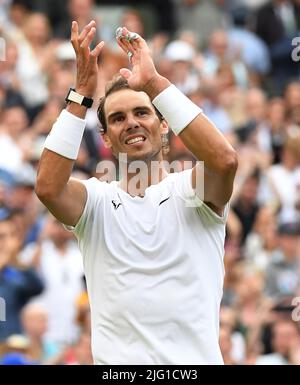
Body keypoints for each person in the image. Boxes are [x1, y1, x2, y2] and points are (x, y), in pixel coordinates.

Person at [35, 20, 238, 364]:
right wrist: (81, 93)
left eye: (142, 112)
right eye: (117, 118)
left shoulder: (191, 190)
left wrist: (156, 84)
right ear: (105, 138)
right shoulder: (96, 202)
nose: (130, 122)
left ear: (163, 125)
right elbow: (48, 188)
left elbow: (225, 161)